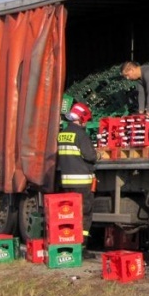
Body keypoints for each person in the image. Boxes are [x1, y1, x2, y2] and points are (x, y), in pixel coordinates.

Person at [56, 102, 96, 244]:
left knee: (70, 214)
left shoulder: (62, 134)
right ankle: (82, 245)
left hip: (67, 182)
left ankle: (69, 239)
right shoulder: (81, 134)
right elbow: (91, 156)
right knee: (84, 214)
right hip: (82, 183)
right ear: (81, 118)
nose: (86, 124)